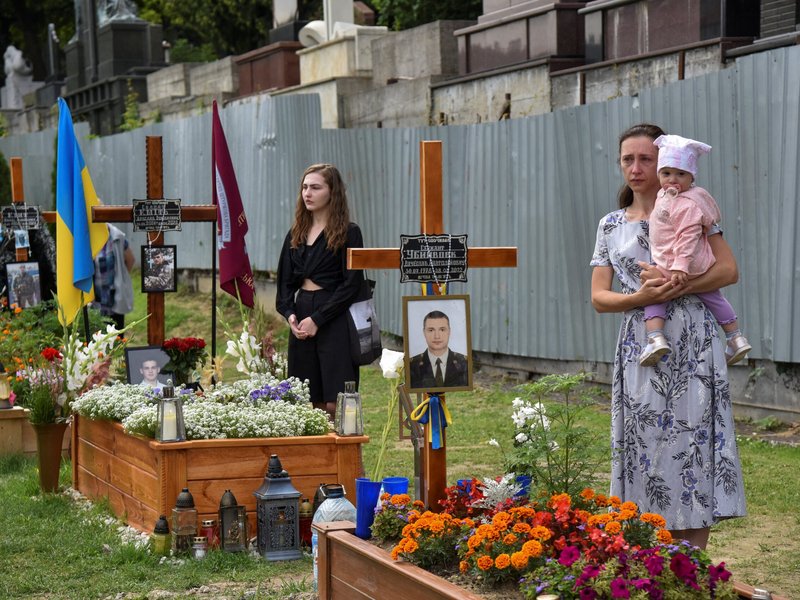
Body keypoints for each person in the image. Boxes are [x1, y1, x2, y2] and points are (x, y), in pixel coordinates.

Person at [590, 123, 746, 550]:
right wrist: (641, 297)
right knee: (645, 440)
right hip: (642, 344)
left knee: (692, 439)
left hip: (693, 339)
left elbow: (727, 270)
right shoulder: (611, 225)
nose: (637, 168)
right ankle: (645, 553)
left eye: (647, 159)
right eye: (628, 159)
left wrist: (679, 286)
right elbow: (600, 298)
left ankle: (691, 559)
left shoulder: (693, 207)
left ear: (669, 164)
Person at [639, 134, 751, 367]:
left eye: (681, 174)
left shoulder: (687, 202)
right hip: (693, 266)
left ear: (692, 177)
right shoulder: (669, 195)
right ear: (659, 174)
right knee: (714, 296)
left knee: (655, 291)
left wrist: (680, 266)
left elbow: (688, 236)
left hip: (679, 265)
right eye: (666, 173)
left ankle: (655, 337)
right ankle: (735, 337)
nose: (673, 179)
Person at [276, 163, 364, 418]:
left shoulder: (349, 232)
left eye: (315, 187)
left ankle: (342, 454)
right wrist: (291, 316)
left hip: (335, 316)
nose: (307, 193)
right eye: (304, 187)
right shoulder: (296, 233)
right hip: (302, 312)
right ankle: (313, 456)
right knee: (307, 398)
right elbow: (284, 284)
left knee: (337, 401)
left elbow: (351, 285)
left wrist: (318, 319)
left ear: (332, 192)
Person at [408, 310, 469, 390]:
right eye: (431, 330)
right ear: (424, 332)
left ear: (449, 332)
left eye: (442, 330)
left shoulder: (464, 363)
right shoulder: (413, 365)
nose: (437, 336)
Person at [92, 224, 135, 329]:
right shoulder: (88, 236)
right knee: (95, 337)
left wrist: (122, 278)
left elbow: (130, 259)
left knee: (116, 335)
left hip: (114, 297)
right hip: (95, 298)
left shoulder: (117, 236)